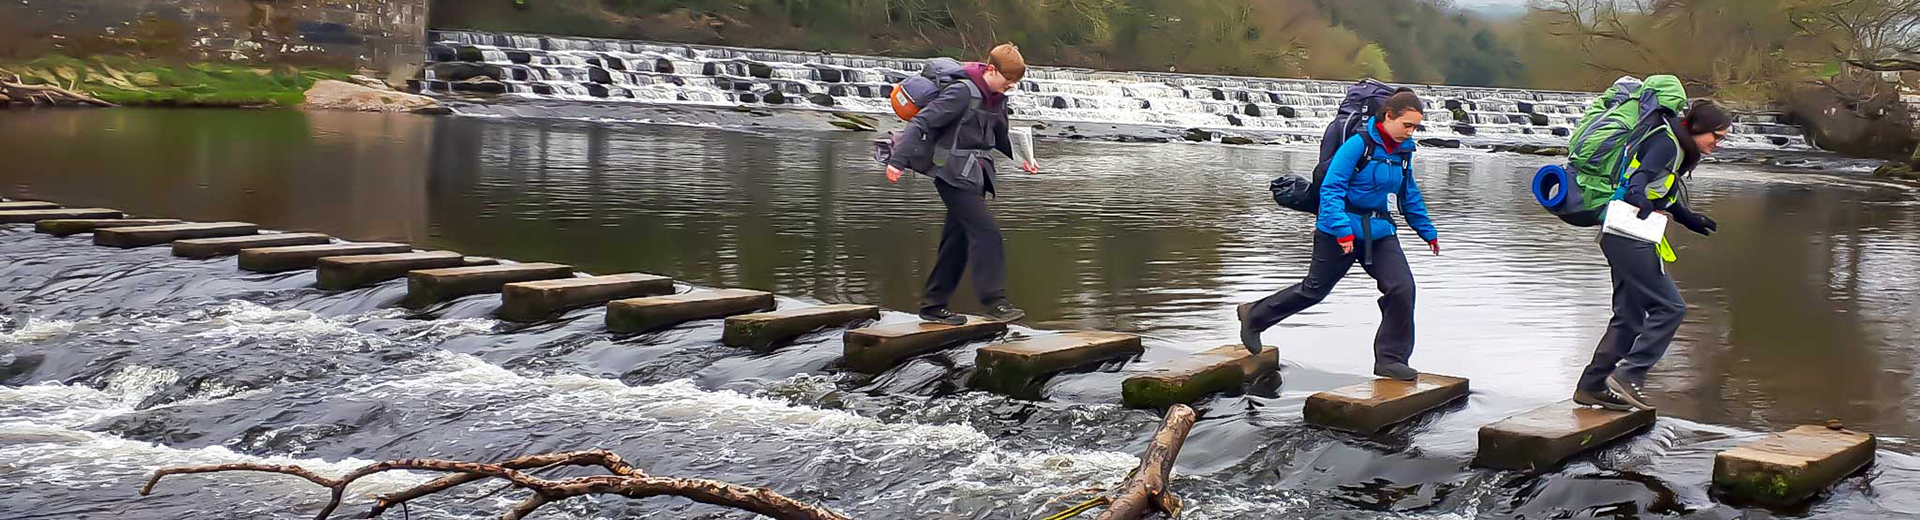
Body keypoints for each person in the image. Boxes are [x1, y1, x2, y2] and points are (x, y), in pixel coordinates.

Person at [1236, 91, 1440, 381]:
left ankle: (1391, 359)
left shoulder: (1403, 153)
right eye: (1408, 125)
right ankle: (1254, 316)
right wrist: (1343, 231)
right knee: (1313, 290)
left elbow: (1409, 196)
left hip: (1379, 231)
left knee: (1402, 288)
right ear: (1388, 116)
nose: (1411, 132)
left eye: (1415, 127)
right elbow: (1331, 189)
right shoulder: (1358, 145)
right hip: (1337, 229)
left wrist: (1427, 232)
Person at [1574, 100, 1732, 411]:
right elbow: (1638, 180)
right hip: (1629, 237)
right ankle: (1629, 374)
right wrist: (1639, 198)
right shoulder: (1666, 142)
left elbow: (1661, 191)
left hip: (1624, 235)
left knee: (1630, 319)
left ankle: (1591, 387)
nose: (1719, 143)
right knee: (1670, 308)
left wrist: (1687, 217)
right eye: (1717, 136)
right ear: (1698, 128)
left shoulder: (1677, 147)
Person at [884, 43, 1039, 325]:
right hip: (951, 174)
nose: (1010, 87)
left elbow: (1000, 136)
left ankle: (933, 306)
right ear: (991, 70)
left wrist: (1023, 160)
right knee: (987, 233)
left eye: (1014, 83)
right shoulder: (961, 92)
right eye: (1008, 81)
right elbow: (922, 123)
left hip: (977, 175)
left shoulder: (998, 98)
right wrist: (898, 160)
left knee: (955, 242)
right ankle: (995, 302)